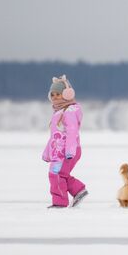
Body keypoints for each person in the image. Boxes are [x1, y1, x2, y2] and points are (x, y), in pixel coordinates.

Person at [42, 75, 88, 208]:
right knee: (59, 174)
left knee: (56, 174)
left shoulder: (69, 111)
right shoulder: (58, 112)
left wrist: (70, 151)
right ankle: (78, 190)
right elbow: (54, 137)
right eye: (53, 94)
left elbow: (72, 132)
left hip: (68, 152)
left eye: (59, 94)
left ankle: (60, 203)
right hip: (58, 153)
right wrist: (47, 154)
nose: (55, 97)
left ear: (67, 94)